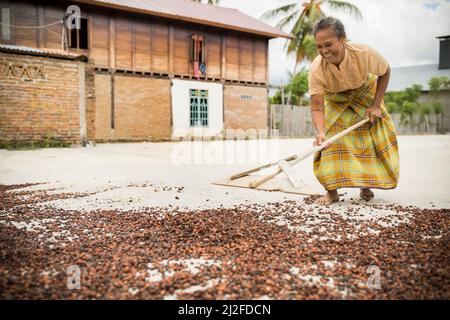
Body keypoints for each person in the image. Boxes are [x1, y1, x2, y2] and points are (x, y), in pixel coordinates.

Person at [308, 16, 399, 205]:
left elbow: (385, 71)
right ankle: (331, 192)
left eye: (328, 44)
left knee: (370, 136)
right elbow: (317, 106)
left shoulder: (364, 52)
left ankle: (365, 184)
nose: (324, 51)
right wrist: (321, 132)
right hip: (336, 98)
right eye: (319, 46)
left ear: (343, 39)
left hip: (365, 92)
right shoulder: (316, 69)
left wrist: (375, 105)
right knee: (328, 141)